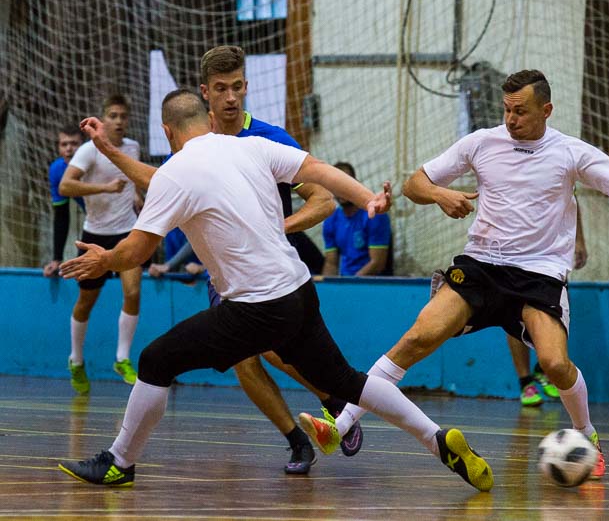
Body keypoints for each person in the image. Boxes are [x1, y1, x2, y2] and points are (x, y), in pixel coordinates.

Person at [56, 90, 493, 492]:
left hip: (255, 307)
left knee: (156, 360)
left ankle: (119, 462)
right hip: (298, 290)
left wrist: (104, 259)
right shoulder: (250, 147)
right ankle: (436, 439)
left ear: (167, 132)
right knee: (344, 380)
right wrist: (367, 199)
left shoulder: (177, 173)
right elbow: (317, 169)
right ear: (209, 121)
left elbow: (136, 250)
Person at [301, 69, 609, 481]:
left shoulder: (572, 152)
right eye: (506, 109)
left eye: (521, 111)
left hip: (539, 274)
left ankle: (586, 435)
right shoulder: (482, 142)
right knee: (416, 339)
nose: (511, 119)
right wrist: (440, 194)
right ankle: (341, 425)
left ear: (546, 110)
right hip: (481, 266)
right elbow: (415, 183)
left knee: (555, 365)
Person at [196, 45, 361, 474]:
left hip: (272, 271)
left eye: (237, 87)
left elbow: (323, 201)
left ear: (247, 86)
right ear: (205, 93)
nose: (231, 97)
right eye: (221, 88)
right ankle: (298, 442)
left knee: (272, 347)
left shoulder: (270, 139)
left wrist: (276, 228)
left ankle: (333, 400)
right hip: (223, 273)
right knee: (244, 358)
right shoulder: (198, 145)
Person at [58, 94, 142, 394]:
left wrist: (137, 197)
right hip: (95, 236)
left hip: (127, 232)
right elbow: (65, 186)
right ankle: (76, 359)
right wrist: (105, 188)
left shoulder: (132, 147)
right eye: (113, 115)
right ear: (103, 119)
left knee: (133, 292)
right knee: (86, 301)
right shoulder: (88, 150)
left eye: (123, 116)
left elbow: (132, 180)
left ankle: (122, 358)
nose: (118, 121)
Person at [510, 203, 586, 406]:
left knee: (557, 310)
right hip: (513, 250)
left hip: (552, 253)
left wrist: (579, 240)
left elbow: (572, 199)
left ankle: (543, 368)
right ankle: (525, 382)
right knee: (513, 314)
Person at [322, 162, 392, 276]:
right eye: (336, 185)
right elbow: (331, 263)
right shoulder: (330, 220)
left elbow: (377, 263)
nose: (341, 189)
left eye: (345, 183)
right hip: (345, 281)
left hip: (371, 283)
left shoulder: (374, 214)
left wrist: (350, 284)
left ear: (356, 184)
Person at [44, 126, 86, 277]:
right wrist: (57, 259)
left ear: (84, 146)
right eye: (64, 144)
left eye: (74, 144)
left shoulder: (96, 164)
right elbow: (61, 216)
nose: (69, 149)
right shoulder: (56, 170)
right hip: (96, 222)